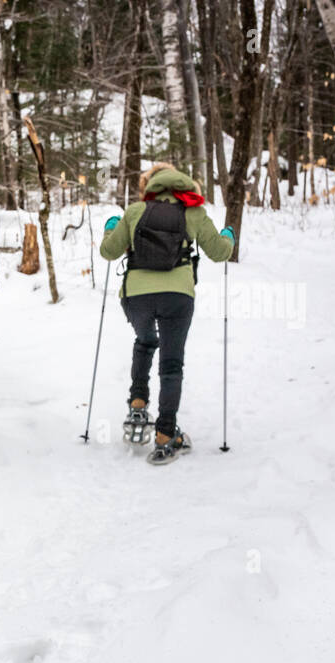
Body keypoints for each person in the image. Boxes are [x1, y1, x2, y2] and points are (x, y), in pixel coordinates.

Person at [99, 162, 234, 465]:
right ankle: (165, 436)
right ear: (183, 183)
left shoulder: (135, 211)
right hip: (177, 296)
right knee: (171, 364)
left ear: (151, 184)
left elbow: (109, 252)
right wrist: (228, 235)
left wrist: (110, 228)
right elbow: (220, 253)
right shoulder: (194, 212)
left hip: (136, 297)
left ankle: (137, 404)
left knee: (145, 342)